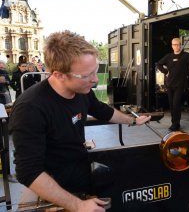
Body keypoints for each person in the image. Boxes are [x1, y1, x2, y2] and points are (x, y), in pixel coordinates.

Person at [9, 30, 151, 212]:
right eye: (86, 75)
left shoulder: (81, 91)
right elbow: (29, 172)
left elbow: (102, 110)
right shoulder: (31, 108)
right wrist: (77, 205)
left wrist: (132, 120)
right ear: (59, 74)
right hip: (52, 183)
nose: (94, 80)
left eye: (95, 71)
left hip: (80, 165)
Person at [156, 38, 189, 131]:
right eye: (174, 44)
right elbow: (159, 64)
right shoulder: (168, 56)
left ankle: (176, 124)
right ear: (172, 46)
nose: (176, 46)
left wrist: (187, 74)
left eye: (178, 44)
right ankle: (174, 122)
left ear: (181, 45)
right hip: (170, 84)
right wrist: (165, 72)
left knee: (176, 104)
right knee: (172, 105)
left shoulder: (186, 56)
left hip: (180, 85)